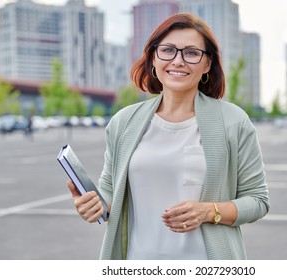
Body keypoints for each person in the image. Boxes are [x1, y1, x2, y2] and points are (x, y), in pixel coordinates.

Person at [67, 13, 269, 260]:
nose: (178, 60)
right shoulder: (123, 122)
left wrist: (209, 211)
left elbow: (258, 200)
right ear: (153, 58)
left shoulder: (233, 121)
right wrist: (97, 205)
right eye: (168, 50)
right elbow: (110, 190)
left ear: (207, 64)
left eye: (192, 53)